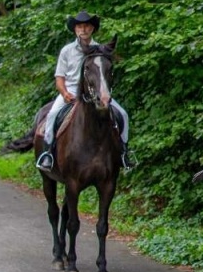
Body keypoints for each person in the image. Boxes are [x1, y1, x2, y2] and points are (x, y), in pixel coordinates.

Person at [36, 12, 131, 171]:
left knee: (123, 115)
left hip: (97, 90)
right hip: (72, 90)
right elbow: (59, 78)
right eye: (80, 26)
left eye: (87, 26)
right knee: (52, 115)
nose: (83, 29)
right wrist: (65, 93)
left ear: (92, 28)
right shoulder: (67, 51)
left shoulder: (101, 49)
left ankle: (124, 153)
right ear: (75, 29)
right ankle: (48, 154)